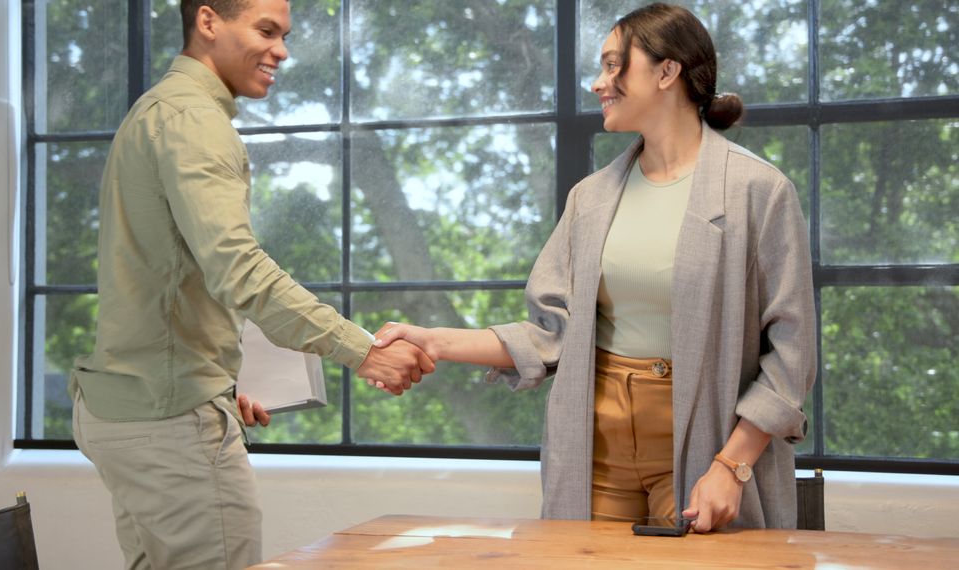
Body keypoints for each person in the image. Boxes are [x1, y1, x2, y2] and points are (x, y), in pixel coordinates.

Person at [374, 2, 815, 533]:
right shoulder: (591, 198)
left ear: (667, 71)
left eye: (612, 65)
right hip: (595, 445)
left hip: (709, 443)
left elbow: (792, 353)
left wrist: (731, 465)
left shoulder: (758, 191)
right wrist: (433, 341)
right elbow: (552, 335)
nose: (598, 83)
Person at [68, 1, 434, 567]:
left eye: (284, 35)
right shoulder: (193, 120)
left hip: (128, 407)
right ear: (208, 22)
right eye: (266, 31)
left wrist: (218, 379)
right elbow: (237, 267)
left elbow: (169, 276)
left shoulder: (158, 111)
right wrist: (364, 351)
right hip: (169, 420)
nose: (281, 51)